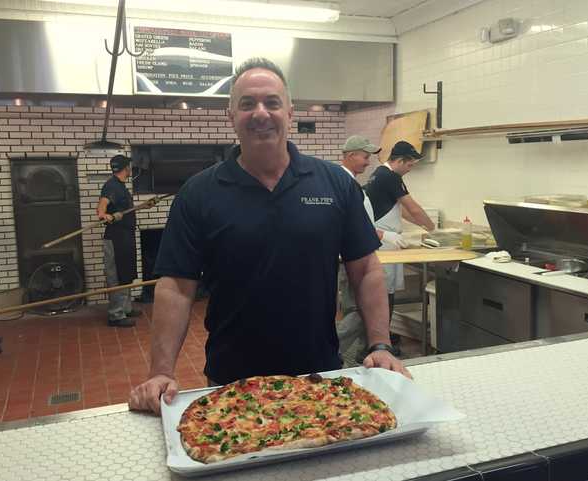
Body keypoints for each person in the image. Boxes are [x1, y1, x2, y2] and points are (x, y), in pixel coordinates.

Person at [129, 58, 410, 414]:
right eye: (247, 104)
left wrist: (380, 344)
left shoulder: (335, 184)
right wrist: (160, 372)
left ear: (289, 112)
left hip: (318, 375)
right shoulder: (199, 193)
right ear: (230, 115)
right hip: (231, 382)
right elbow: (175, 286)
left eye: (271, 102)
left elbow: (366, 268)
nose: (260, 113)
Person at [336, 135, 406, 364]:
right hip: (353, 259)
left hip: (353, 255)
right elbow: (356, 226)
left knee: (354, 309)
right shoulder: (343, 183)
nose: (368, 162)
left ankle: (363, 353)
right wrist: (387, 235)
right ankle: (331, 349)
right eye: (365, 157)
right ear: (350, 155)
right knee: (360, 311)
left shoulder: (351, 182)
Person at [364, 141, 435, 351]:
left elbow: (399, 209)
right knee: (384, 290)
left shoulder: (380, 173)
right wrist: (433, 230)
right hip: (384, 240)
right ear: (400, 161)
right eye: (410, 165)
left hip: (386, 238)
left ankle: (383, 334)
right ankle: (381, 341)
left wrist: (421, 226)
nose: (409, 169)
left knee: (387, 289)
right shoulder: (391, 176)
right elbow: (412, 207)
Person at [97, 155, 142, 328]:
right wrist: (104, 214)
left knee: (126, 272)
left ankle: (125, 308)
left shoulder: (120, 186)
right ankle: (116, 315)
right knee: (116, 275)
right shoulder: (112, 186)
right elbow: (102, 207)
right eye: (129, 166)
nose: (130, 168)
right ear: (126, 168)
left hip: (125, 237)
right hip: (115, 239)